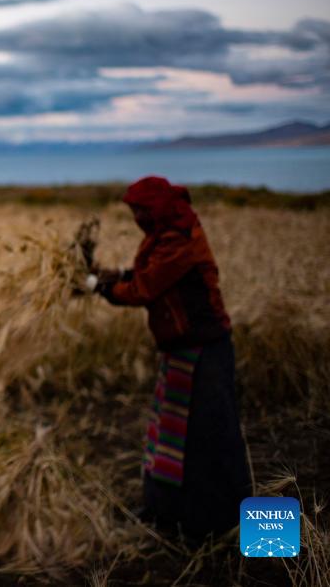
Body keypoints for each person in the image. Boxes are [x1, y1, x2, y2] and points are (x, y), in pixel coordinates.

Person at [85, 176, 251, 541]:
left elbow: (146, 288)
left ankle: (226, 526)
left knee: (211, 437)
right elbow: (146, 276)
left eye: (141, 210)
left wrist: (99, 287)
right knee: (174, 436)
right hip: (182, 351)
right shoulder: (164, 234)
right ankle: (175, 513)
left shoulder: (180, 239)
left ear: (157, 208)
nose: (137, 217)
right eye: (134, 211)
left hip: (205, 351)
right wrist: (112, 277)